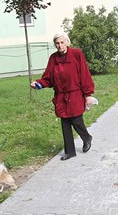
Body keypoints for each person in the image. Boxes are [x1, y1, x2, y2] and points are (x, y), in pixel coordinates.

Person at [30, 32, 95, 161]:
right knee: (65, 122)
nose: (60, 45)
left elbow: (84, 74)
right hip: (61, 95)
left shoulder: (77, 54)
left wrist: (88, 95)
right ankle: (70, 151)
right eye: (57, 43)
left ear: (67, 43)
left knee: (76, 119)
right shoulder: (53, 58)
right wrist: (38, 84)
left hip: (75, 93)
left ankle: (86, 137)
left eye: (62, 43)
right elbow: (48, 78)